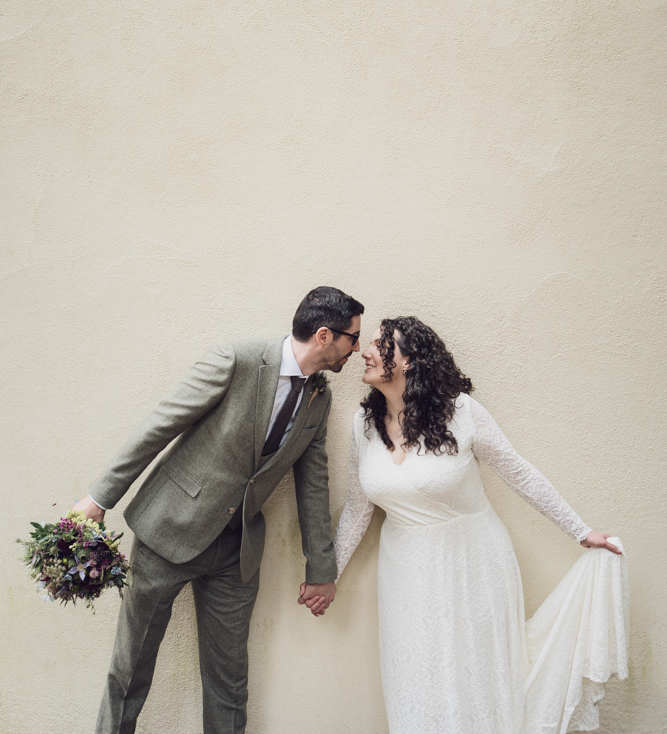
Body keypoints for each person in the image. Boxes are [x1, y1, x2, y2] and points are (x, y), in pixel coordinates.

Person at [72, 285, 364, 734]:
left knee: (229, 684)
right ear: (324, 336)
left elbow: (312, 485)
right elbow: (161, 425)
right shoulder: (237, 360)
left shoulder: (319, 400)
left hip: (235, 553)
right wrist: (99, 499)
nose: (357, 349)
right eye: (352, 337)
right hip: (169, 532)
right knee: (130, 671)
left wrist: (321, 568)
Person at [334, 317, 629, 734]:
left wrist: (581, 531)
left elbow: (519, 473)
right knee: (416, 679)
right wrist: (325, 576)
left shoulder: (461, 412)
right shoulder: (363, 427)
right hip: (405, 577)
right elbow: (356, 511)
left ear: (409, 361)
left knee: (476, 677)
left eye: (380, 344)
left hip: (473, 566)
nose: (365, 350)